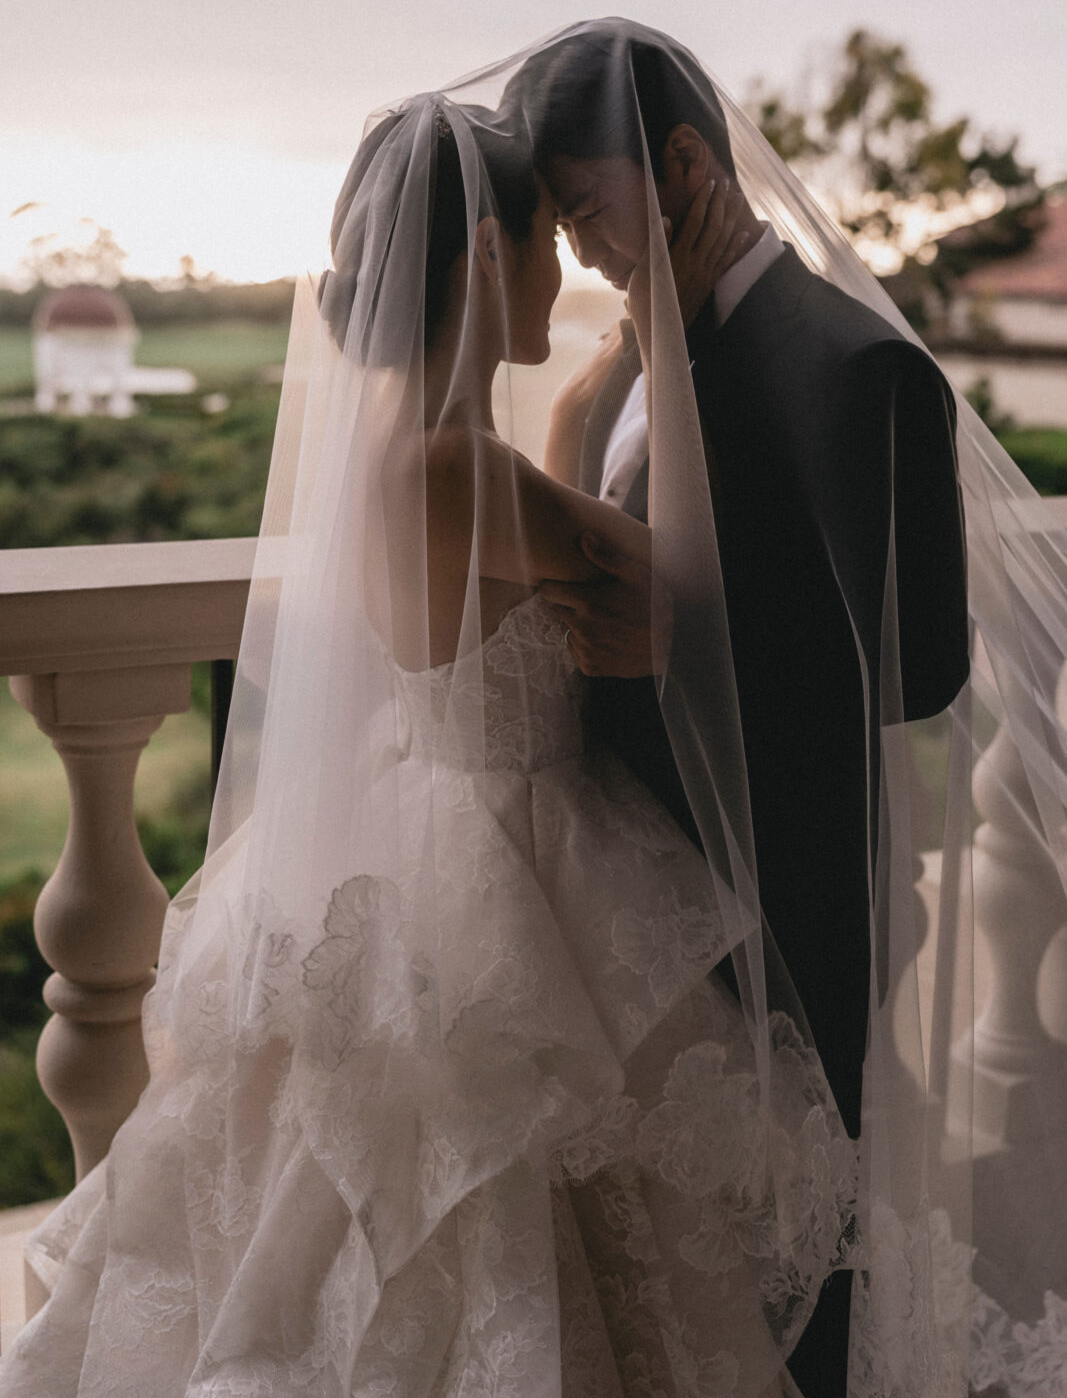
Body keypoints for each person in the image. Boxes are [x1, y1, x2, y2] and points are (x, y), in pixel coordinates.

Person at [0, 97, 852, 1398]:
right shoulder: (459, 469)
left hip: (425, 821)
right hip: (511, 847)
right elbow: (680, 581)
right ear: (480, 263)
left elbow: (538, 497)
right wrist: (670, 342)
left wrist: (600, 375)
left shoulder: (421, 456)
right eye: (538, 240)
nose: (560, 266)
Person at [505, 22, 971, 1396]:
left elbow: (921, 667)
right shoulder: (650, 339)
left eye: (589, 211)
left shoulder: (851, 367)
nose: (583, 251)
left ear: (688, 162)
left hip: (786, 894)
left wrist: (679, 641)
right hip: (642, 907)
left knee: (803, 1267)